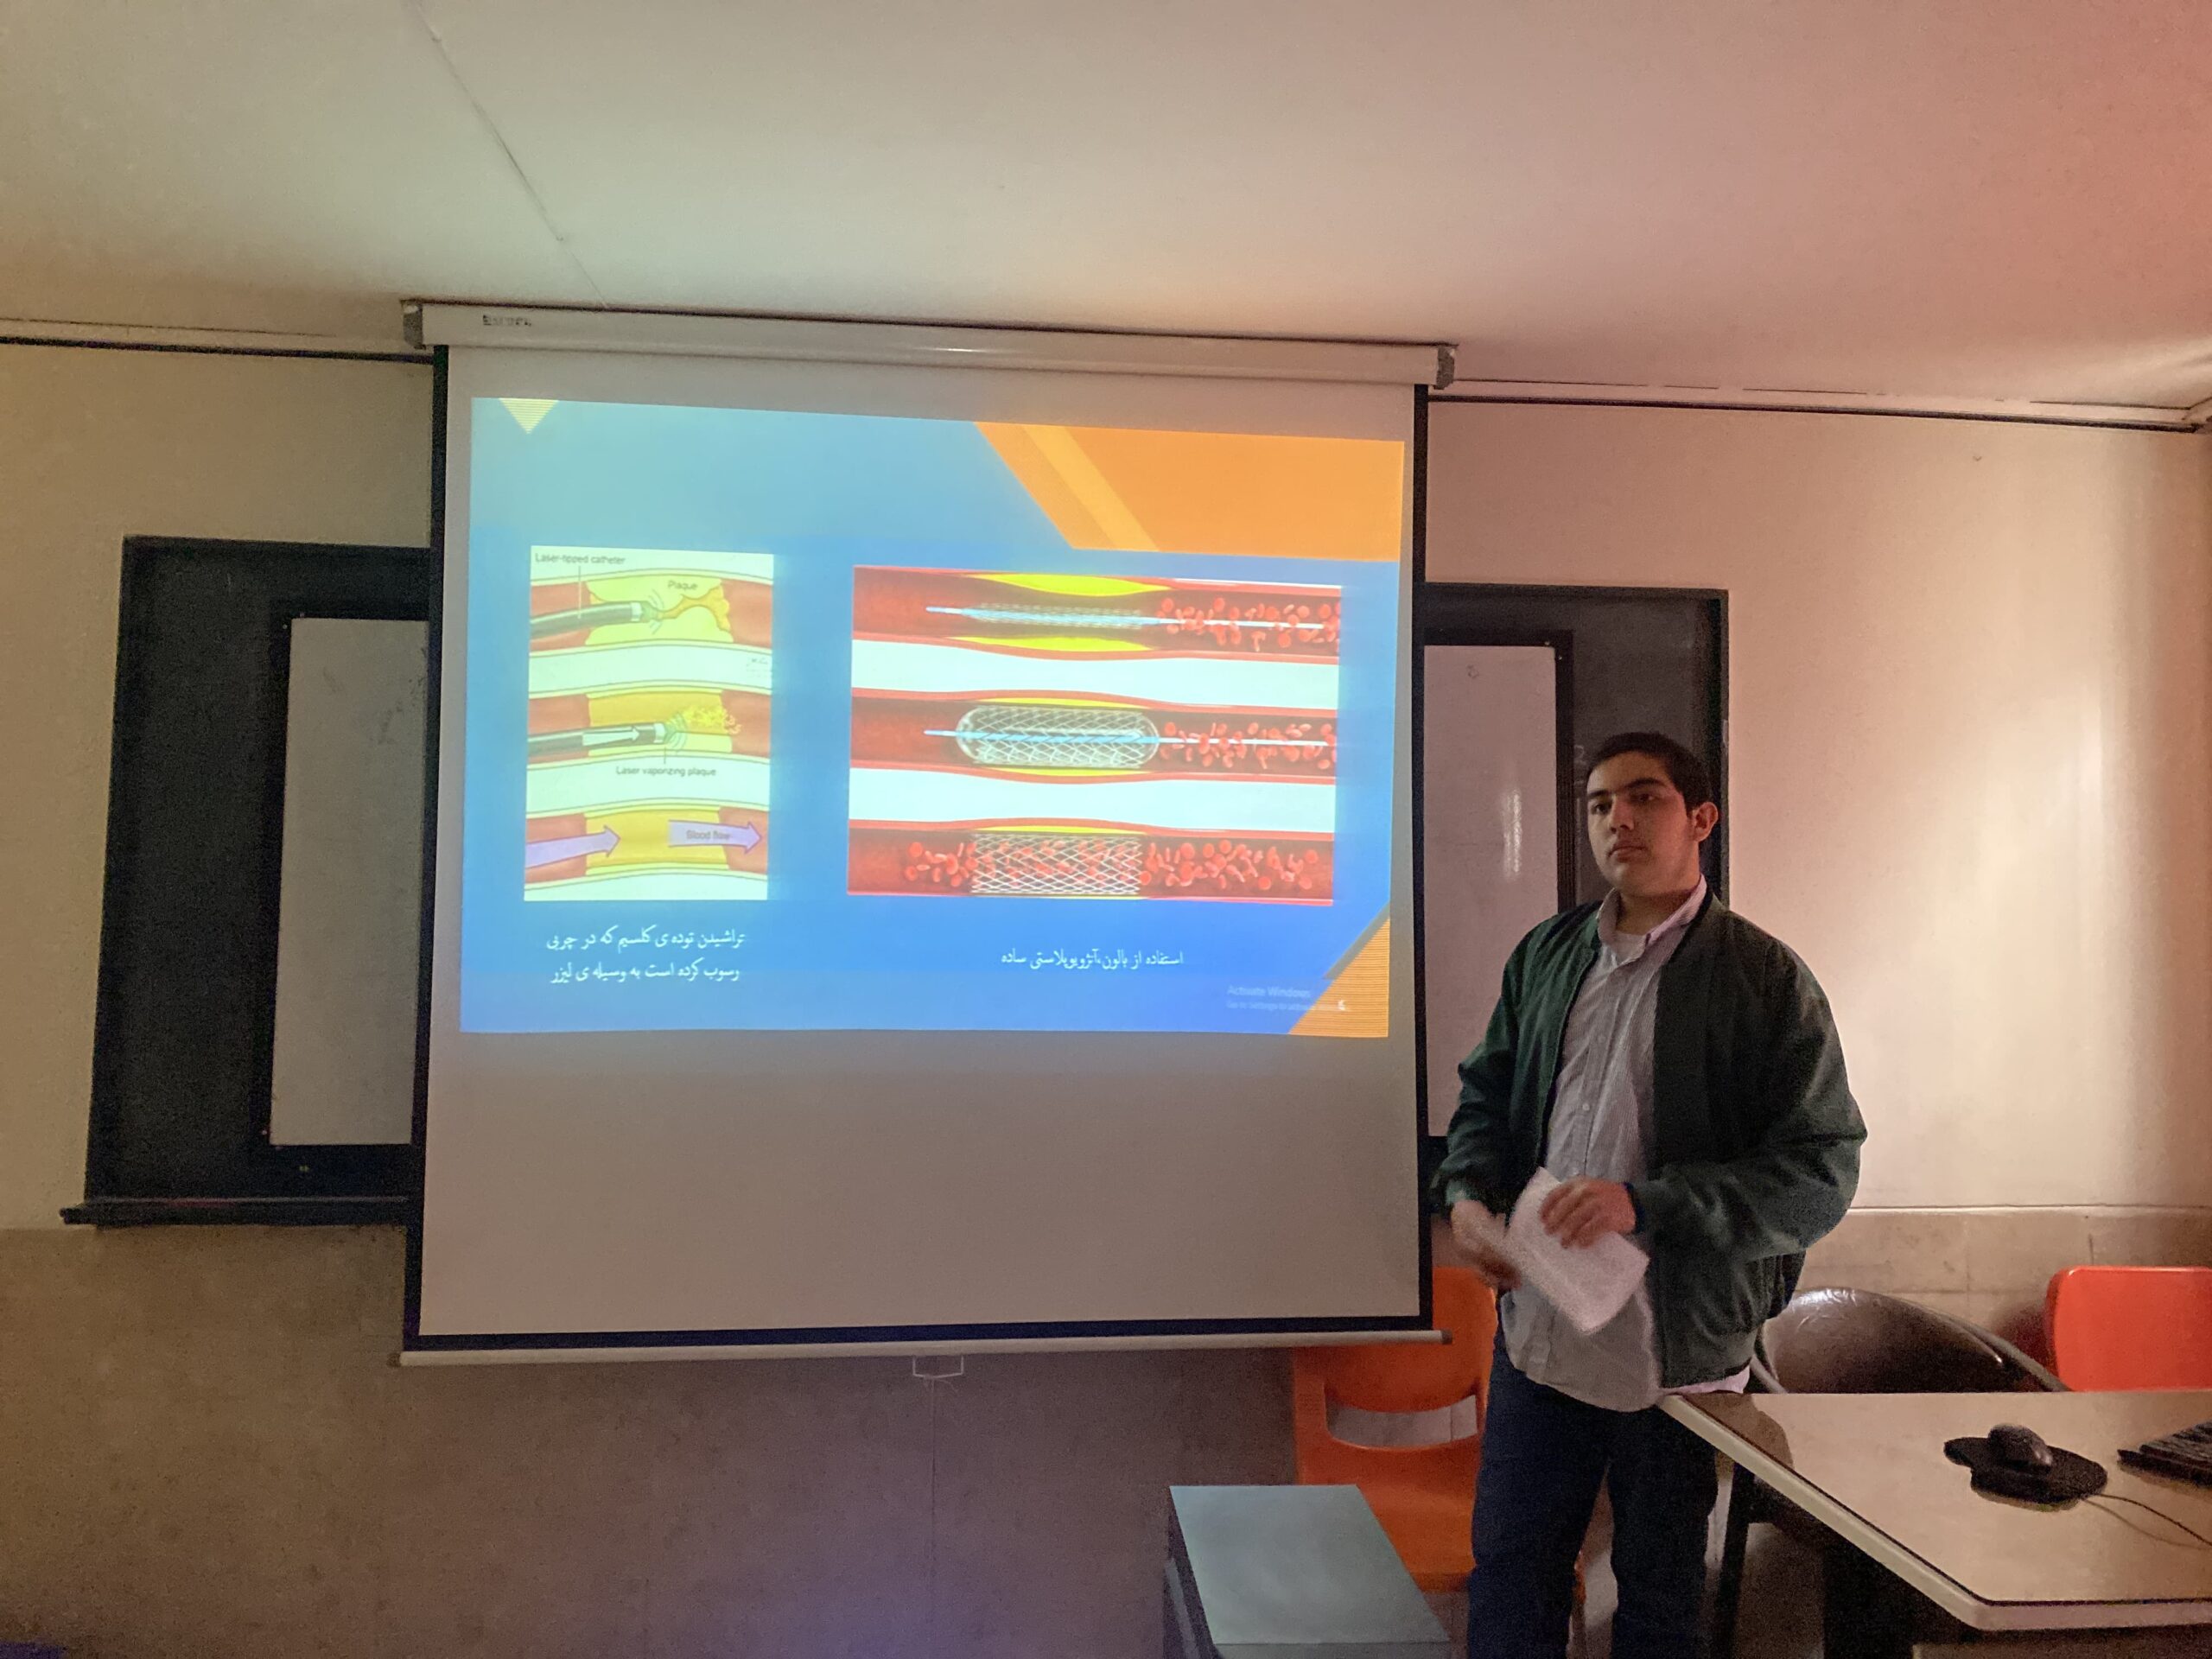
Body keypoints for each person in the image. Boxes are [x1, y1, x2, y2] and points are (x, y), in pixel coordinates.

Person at [1434, 732, 1864, 1659]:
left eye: (1643, 797)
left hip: (1678, 1360)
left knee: (1661, 1602)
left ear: (1701, 818)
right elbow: (1484, 1097)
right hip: (1539, 1343)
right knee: (1510, 1579)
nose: (1616, 820)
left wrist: (1648, 1204)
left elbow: (1821, 1173)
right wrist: (1466, 1198)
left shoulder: (1764, 978)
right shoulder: (1549, 955)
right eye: (1599, 804)